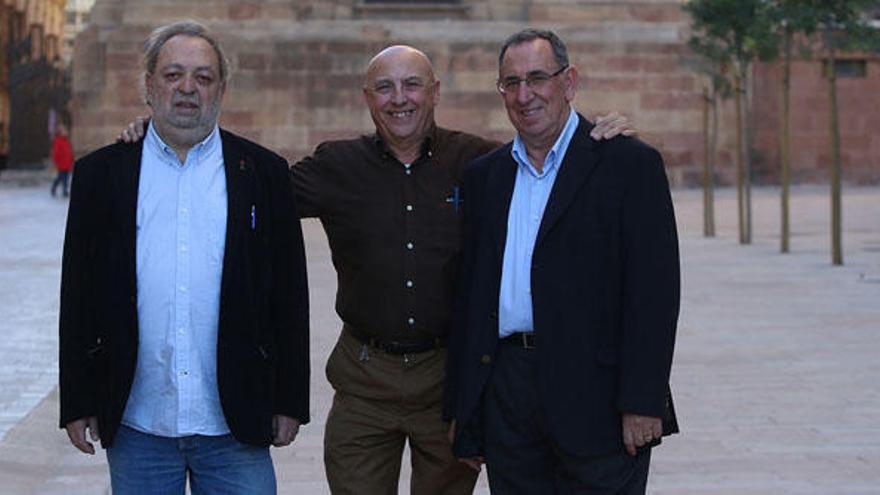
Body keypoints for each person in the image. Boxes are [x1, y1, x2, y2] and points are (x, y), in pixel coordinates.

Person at [120, 44, 632, 494]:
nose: (399, 98)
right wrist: (162, 134)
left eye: (412, 85)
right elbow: (245, 185)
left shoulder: (481, 164)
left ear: (434, 92)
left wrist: (599, 137)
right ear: (367, 98)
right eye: (384, 88)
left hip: (446, 379)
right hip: (364, 378)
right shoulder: (335, 167)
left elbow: (551, 169)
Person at [59, 21, 310, 494]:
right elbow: (77, 294)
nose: (188, 88)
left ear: (222, 88)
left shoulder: (263, 172)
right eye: (173, 75)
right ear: (149, 85)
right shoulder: (101, 174)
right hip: (138, 423)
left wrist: (290, 399)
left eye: (203, 76)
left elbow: (290, 296)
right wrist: (76, 399)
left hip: (235, 422)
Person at [446, 28, 680, 494]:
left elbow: (654, 293)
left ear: (569, 82)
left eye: (537, 78)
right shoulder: (484, 177)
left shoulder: (628, 165)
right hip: (509, 397)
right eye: (510, 83)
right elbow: (471, 297)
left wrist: (643, 400)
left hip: (600, 397)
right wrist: (466, 409)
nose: (524, 94)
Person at [50, 122, 74, 197]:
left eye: (66, 131)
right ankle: (62, 190)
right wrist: (56, 162)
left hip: (67, 163)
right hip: (61, 163)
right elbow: (56, 153)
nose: (66, 132)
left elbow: (69, 152)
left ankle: (61, 189)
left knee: (64, 178)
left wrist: (71, 161)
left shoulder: (66, 141)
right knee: (62, 178)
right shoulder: (58, 141)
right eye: (64, 131)